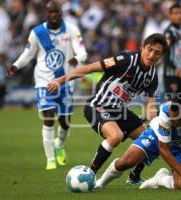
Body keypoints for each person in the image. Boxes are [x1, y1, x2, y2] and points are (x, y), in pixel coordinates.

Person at [47, 33, 168, 183]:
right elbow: (90, 68)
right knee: (115, 136)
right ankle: (90, 174)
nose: (151, 55)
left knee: (153, 141)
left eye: (157, 53)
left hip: (120, 111)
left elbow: (150, 104)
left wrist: (155, 119)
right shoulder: (125, 60)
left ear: (161, 56)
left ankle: (134, 176)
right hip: (98, 106)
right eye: (149, 49)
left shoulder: (152, 76)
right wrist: (60, 80)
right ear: (142, 47)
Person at [95, 94, 181, 192]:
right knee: (127, 161)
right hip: (157, 136)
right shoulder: (166, 112)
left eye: (175, 119)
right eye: (170, 114)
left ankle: (159, 179)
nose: (170, 118)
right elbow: (163, 149)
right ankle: (99, 183)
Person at [6, 1, 87, 170]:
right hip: (44, 81)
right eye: (50, 12)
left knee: (65, 122)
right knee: (48, 118)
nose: (53, 15)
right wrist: (15, 65)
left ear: (61, 13)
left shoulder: (72, 29)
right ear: (46, 13)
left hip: (64, 81)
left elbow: (82, 51)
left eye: (56, 12)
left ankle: (59, 145)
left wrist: (77, 59)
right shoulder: (37, 32)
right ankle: (50, 159)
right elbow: (28, 54)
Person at [163, 4, 181, 98]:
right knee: (173, 106)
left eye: (180, 13)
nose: (179, 16)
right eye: (175, 13)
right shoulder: (169, 33)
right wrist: (178, 70)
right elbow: (165, 55)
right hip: (172, 74)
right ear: (170, 16)